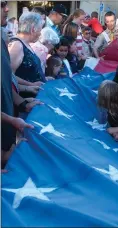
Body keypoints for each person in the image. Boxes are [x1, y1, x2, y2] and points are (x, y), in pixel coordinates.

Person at [1, 1, 41, 168]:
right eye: (2, 4)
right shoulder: (15, 45)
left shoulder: (2, 41)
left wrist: (24, 104)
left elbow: (6, 82)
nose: (7, 8)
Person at [8, 12, 45, 83]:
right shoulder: (16, 45)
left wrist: (44, 78)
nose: (40, 34)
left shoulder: (26, 43)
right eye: (40, 30)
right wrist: (30, 85)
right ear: (33, 29)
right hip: (25, 93)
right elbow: (9, 76)